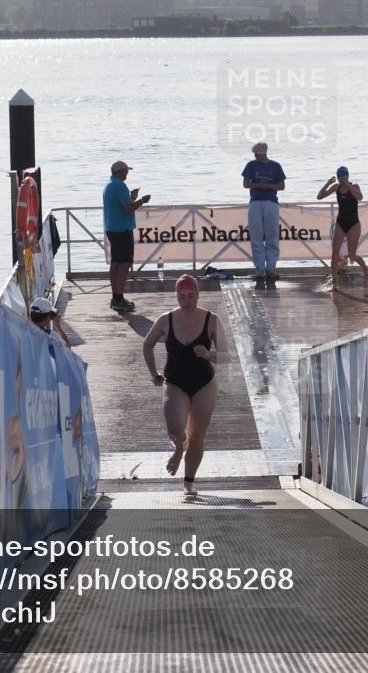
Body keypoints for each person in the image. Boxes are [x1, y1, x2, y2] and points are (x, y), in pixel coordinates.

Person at [142, 274, 227, 495]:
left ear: (198, 295)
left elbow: (227, 356)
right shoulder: (166, 319)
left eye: (191, 296)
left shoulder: (211, 319)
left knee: (197, 435)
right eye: (181, 297)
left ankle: (188, 483)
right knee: (174, 428)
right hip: (175, 381)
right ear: (176, 296)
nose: (186, 302)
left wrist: (209, 354)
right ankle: (179, 448)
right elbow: (147, 345)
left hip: (204, 383)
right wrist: (154, 373)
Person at [103, 160, 150, 312]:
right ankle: (118, 297)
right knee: (124, 263)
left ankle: (115, 296)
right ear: (119, 171)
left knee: (116, 262)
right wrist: (142, 200)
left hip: (112, 228)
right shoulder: (119, 185)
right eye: (126, 171)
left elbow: (122, 203)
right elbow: (128, 207)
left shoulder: (110, 185)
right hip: (122, 230)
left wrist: (131, 196)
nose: (127, 173)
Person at [316, 165, 368, 287]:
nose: (342, 180)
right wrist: (328, 183)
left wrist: (349, 186)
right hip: (341, 223)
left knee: (352, 255)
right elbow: (319, 197)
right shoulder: (336, 187)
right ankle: (334, 282)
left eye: (344, 177)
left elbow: (360, 197)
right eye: (340, 178)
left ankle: (366, 270)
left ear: (348, 176)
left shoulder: (354, 186)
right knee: (334, 254)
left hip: (354, 224)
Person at [241, 142, 285, 280]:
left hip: (271, 201)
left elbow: (281, 186)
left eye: (257, 154)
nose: (255, 156)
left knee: (272, 235)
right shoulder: (251, 165)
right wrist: (257, 185)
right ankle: (259, 269)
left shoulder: (275, 166)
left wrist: (268, 186)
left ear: (263, 153)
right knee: (256, 236)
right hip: (255, 201)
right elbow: (245, 184)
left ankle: (271, 268)